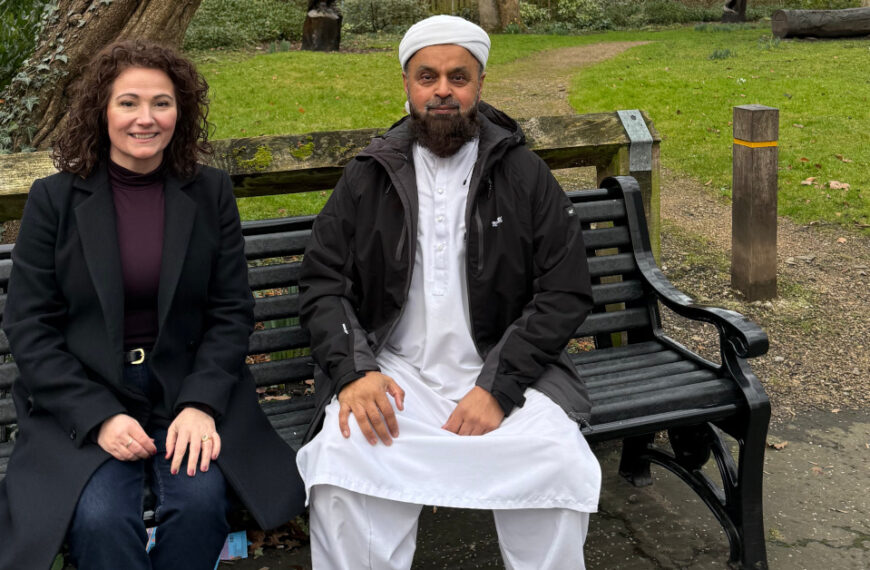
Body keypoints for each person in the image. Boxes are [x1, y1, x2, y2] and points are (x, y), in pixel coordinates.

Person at [297, 15, 601, 570]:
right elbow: (323, 284)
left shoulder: (524, 173)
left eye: (458, 77)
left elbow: (564, 290)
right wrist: (355, 371)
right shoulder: (369, 174)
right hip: (394, 373)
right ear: (407, 84)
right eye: (427, 77)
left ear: (479, 84)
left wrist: (498, 388)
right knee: (344, 465)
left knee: (556, 461)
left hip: (503, 368)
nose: (443, 90)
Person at [0, 39, 305, 570]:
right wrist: (98, 417)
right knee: (100, 519)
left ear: (179, 112)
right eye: (129, 102)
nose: (146, 118)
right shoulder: (55, 199)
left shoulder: (208, 193)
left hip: (184, 389)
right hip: (85, 393)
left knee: (200, 504)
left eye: (161, 103)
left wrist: (202, 403)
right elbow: (30, 326)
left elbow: (231, 311)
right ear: (102, 110)